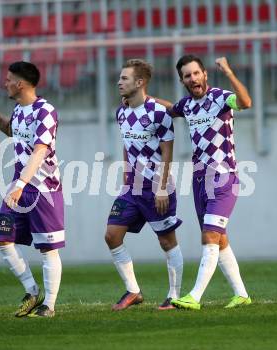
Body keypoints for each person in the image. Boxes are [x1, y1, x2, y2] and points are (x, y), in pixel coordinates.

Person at [0, 61, 64, 318]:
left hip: (42, 188)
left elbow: (40, 151)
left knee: (47, 248)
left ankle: (48, 306)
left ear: (20, 83)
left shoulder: (46, 111)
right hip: (19, 186)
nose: (4, 82)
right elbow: (11, 129)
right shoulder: (19, 109)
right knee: (3, 238)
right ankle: (32, 291)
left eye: (8, 79)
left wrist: (19, 185)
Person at [156, 55, 252, 310]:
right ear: (182, 80)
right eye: (187, 75)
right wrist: (144, 99)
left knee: (210, 236)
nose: (193, 78)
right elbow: (170, 108)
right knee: (219, 239)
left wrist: (229, 72)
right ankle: (241, 294)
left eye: (196, 73)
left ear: (205, 74)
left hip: (224, 177)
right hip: (200, 180)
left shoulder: (221, 97)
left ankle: (194, 297)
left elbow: (246, 102)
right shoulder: (187, 105)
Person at [105, 59, 184, 311]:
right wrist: (126, 176)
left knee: (167, 242)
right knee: (112, 235)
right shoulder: (121, 112)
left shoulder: (159, 113)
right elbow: (127, 147)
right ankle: (133, 291)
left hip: (156, 187)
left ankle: (174, 295)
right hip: (131, 188)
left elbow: (167, 152)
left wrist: (162, 187)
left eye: (125, 78)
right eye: (120, 78)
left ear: (140, 83)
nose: (119, 82)